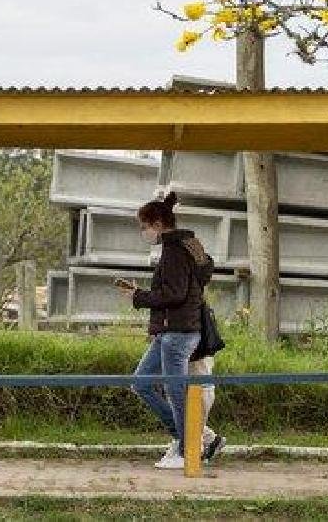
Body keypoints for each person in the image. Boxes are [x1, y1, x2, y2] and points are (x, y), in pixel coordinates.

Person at [115, 191, 222, 469]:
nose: (143, 232)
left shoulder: (174, 251)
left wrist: (138, 297)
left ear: (158, 224)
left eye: (144, 227)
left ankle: (188, 449)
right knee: (141, 383)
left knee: (176, 392)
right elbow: (184, 287)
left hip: (178, 332)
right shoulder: (190, 246)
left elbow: (174, 294)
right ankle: (184, 437)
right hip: (171, 331)